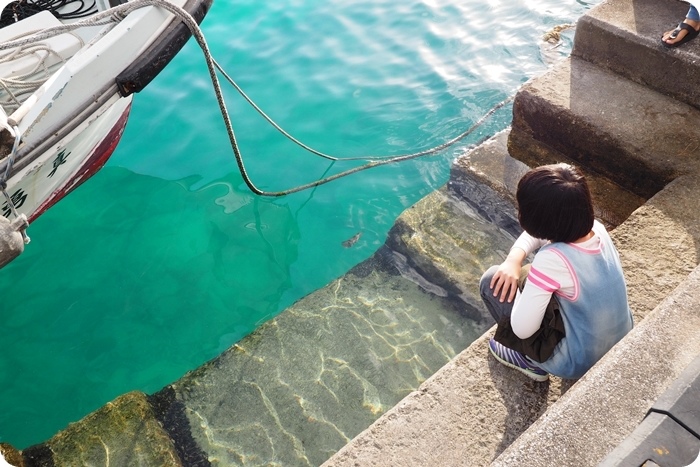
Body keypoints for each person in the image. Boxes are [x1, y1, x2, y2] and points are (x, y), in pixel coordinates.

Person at [479, 163, 633, 381]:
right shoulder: (596, 228)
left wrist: (526, 282)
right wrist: (514, 258)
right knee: (526, 272)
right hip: (621, 339)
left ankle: (530, 362)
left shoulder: (552, 260)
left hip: (577, 362)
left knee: (491, 281)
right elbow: (543, 234)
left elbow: (523, 329)